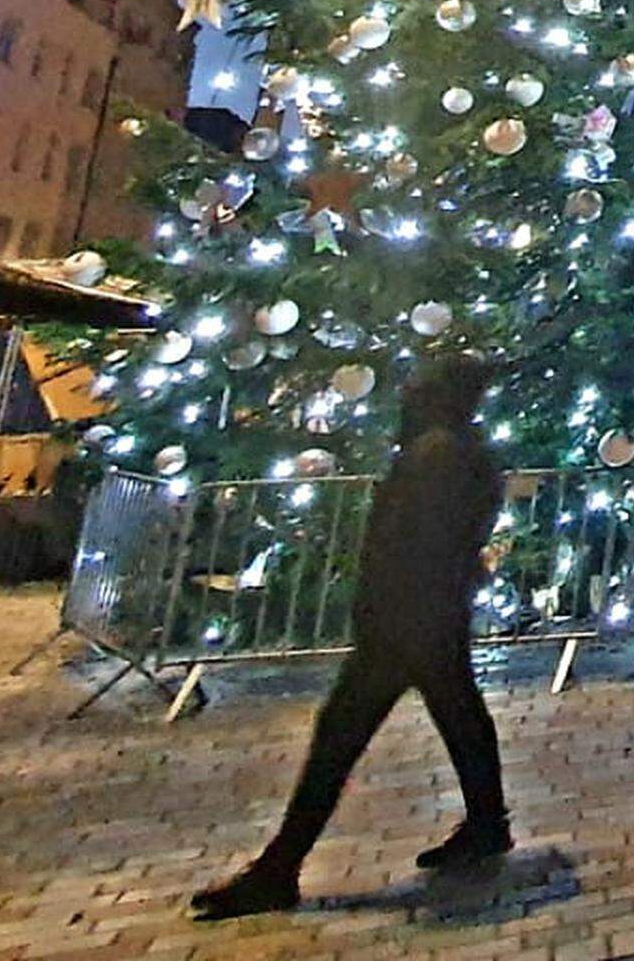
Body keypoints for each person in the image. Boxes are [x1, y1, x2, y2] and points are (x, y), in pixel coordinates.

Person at [196, 354, 512, 920]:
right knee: (461, 719)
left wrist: (383, 604)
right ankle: (488, 825)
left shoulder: (436, 456)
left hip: (407, 620)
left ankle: (280, 867)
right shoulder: (460, 452)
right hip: (431, 614)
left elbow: (413, 541)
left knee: (340, 736)